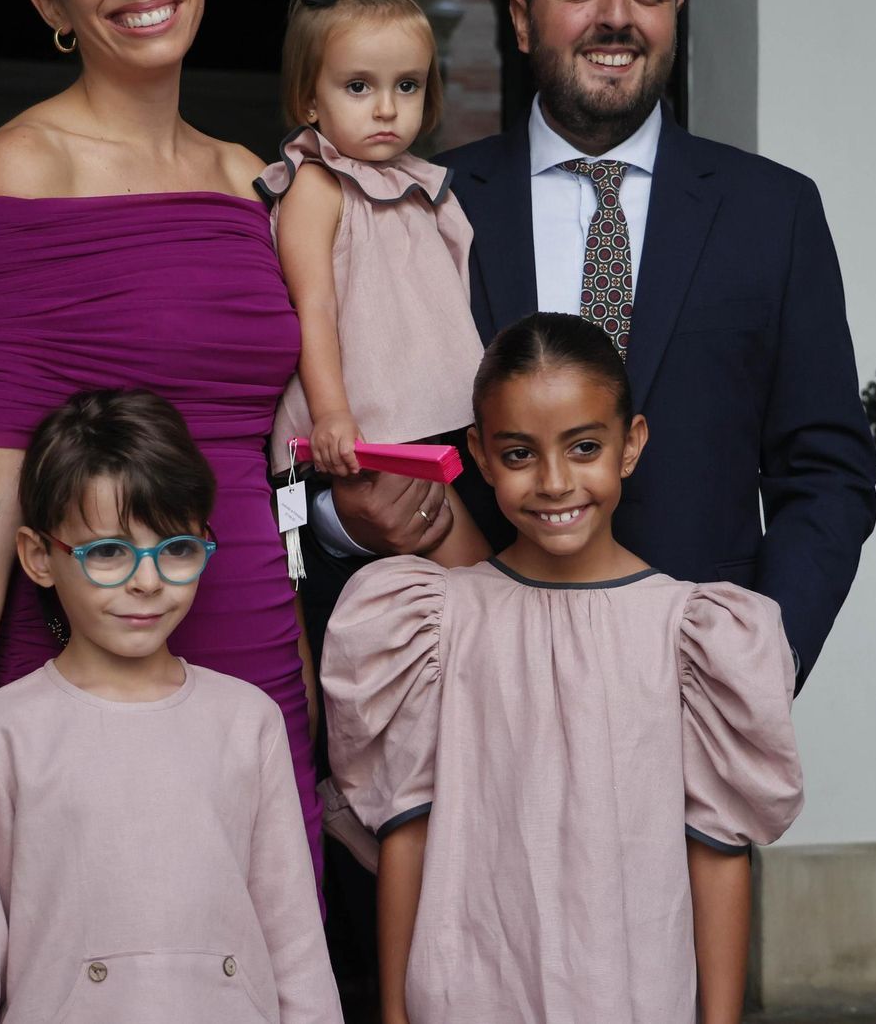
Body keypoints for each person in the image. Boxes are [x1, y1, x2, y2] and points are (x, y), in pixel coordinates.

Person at [0, 0, 320, 1001]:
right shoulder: (21, 166)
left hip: (248, 642)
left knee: (257, 963)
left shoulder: (256, 180)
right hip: (85, 652)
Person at [319, 0, 876, 693]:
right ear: (519, 18)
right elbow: (352, 449)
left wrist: (764, 659)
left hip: (694, 693)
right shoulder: (415, 206)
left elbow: (826, 469)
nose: (616, 16)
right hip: (473, 692)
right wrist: (345, 521)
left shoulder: (774, 212)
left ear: (674, 16)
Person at [322, 313, 804, 1024]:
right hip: (469, 991)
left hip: (630, 992)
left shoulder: (692, 636)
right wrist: (393, 1014)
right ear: (479, 457)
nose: (554, 481)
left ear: (630, 444)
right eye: (519, 455)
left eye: (583, 447)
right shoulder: (432, 622)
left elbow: (718, 849)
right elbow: (407, 830)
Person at [0, 389, 342, 1024]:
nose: (148, 580)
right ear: (40, 557)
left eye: (176, 548)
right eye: (108, 553)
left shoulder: (247, 721)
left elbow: (294, 941)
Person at [256, 0, 487, 567]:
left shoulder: (420, 185)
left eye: (406, 85)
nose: (386, 107)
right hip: (359, 431)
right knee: (471, 578)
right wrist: (331, 412)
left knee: (460, 585)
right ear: (309, 97)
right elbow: (314, 303)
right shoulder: (316, 186)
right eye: (359, 87)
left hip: (422, 422)